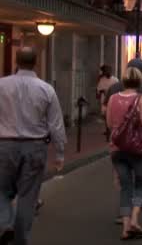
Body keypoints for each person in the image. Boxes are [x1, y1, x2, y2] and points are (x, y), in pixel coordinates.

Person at [0, 47, 67, 245]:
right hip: (35, 146)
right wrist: (60, 152)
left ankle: (5, 223)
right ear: (35, 62)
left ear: (16, 61)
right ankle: (21, 239)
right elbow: (56, 123)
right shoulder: (46, 89)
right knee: (28, 196)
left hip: (4, 145)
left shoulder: (1, 86)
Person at [106, 67, 142, 240]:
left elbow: (110, 124)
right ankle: (134, 218)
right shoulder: (141, 99)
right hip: (137, 148)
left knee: (125, 186)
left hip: (117, 148)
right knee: (141, 183)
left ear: (123, 81)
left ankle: (125, 227)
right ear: (139, 81)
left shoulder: (112, 98)